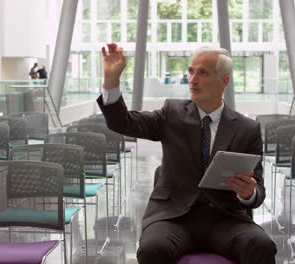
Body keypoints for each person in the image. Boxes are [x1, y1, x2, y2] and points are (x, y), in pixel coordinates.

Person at [97, 43, 277, 264]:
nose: (192, 79)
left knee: (261, 246)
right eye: (191, 71)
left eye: (202, 73)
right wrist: (111, 82)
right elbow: (122, 122)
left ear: (224, 80)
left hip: (225, 219)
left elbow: (257, 190)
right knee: (153, 249)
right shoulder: (171, 113)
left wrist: (248, 193)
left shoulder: (247, 128)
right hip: (173, 218)